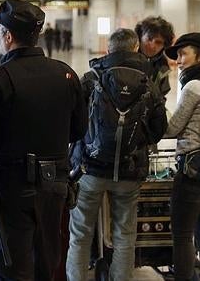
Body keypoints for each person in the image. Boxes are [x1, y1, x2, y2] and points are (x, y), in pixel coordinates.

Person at [0, 0, 88, 280]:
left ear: (8, 36)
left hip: (12, 189)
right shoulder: (65, 74)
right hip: (54, 186)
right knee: (46, 262)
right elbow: (78, 131)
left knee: (11, 267)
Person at [66, 28, 168, 281]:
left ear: (109, 50)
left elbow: (72, 122)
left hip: (89, 169)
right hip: (129, 172)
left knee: (80, 235)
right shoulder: (149, 83)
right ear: (136, 49)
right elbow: (158, 129)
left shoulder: (91, 79)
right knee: (125, 236)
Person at [163, 33, 200, 281]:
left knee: (183, 234)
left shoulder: (193, 86)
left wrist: (160, 107)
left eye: (183, 53)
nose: (178, 60)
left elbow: (172, 128)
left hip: (192, 171)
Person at [135, 16, 175, 97]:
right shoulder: (127, 58)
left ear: (164, 45)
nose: (152, 45)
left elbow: (161, 94)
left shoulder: (162, 65)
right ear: (140, 37)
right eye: (149, 39)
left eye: (158, 42)